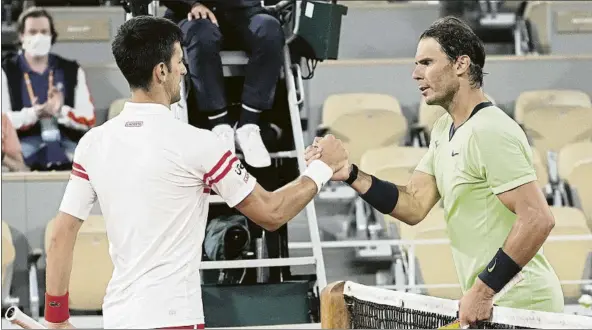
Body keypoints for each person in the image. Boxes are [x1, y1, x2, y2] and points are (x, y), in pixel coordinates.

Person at [43, 15, 346, 329]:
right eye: (179, 61)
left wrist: (55, 318)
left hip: (120, 319)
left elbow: (61, 235)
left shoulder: (93, 143)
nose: (184, 69)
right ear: (161, 72)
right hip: (175, 320)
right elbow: (271, 212)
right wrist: (322, 169)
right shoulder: (199, 144)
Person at [306, 16, 563, 328]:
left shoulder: (492, 130)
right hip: (493, 304)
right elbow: (413, 204)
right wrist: (350, 173)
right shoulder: (444, 129)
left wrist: (482, 291)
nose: (415, 74)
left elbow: (538, 218)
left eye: (426, 62)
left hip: (523, 305)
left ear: (461, 65)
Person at [163, 0, 285, 168]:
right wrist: (193, 4)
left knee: (269, 29)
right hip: (192, 15)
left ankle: (248, 126)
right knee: (202, 35)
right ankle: (220, 127)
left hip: (243, 13)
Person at [1, 7, 96, 169]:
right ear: (21, 36)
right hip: (21, 150)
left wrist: (60, 111)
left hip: (67, 146)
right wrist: (33, 113)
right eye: (32, 32)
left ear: (52, 36)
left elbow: (89, 119)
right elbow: (3, 120)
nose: (39, 37)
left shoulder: (71, 70)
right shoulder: (6, 70)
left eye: (44, 32)